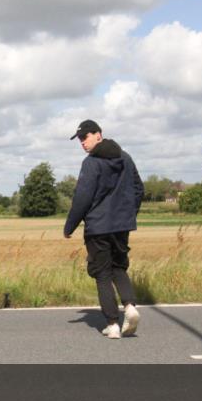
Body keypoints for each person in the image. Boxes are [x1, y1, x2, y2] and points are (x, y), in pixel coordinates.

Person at [62, 120, 144, 340]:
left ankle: (112, 325)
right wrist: (128, 215)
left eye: (85, 137)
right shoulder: (125, 158)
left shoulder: (91, 163)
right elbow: (139, 189)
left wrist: (70, 225)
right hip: (121, 226)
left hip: (98, 227)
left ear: (98, 134)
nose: (83, 143)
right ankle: (129, 307)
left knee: (102, 274)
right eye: (80, 139)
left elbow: (82, 198)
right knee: (119, 268)